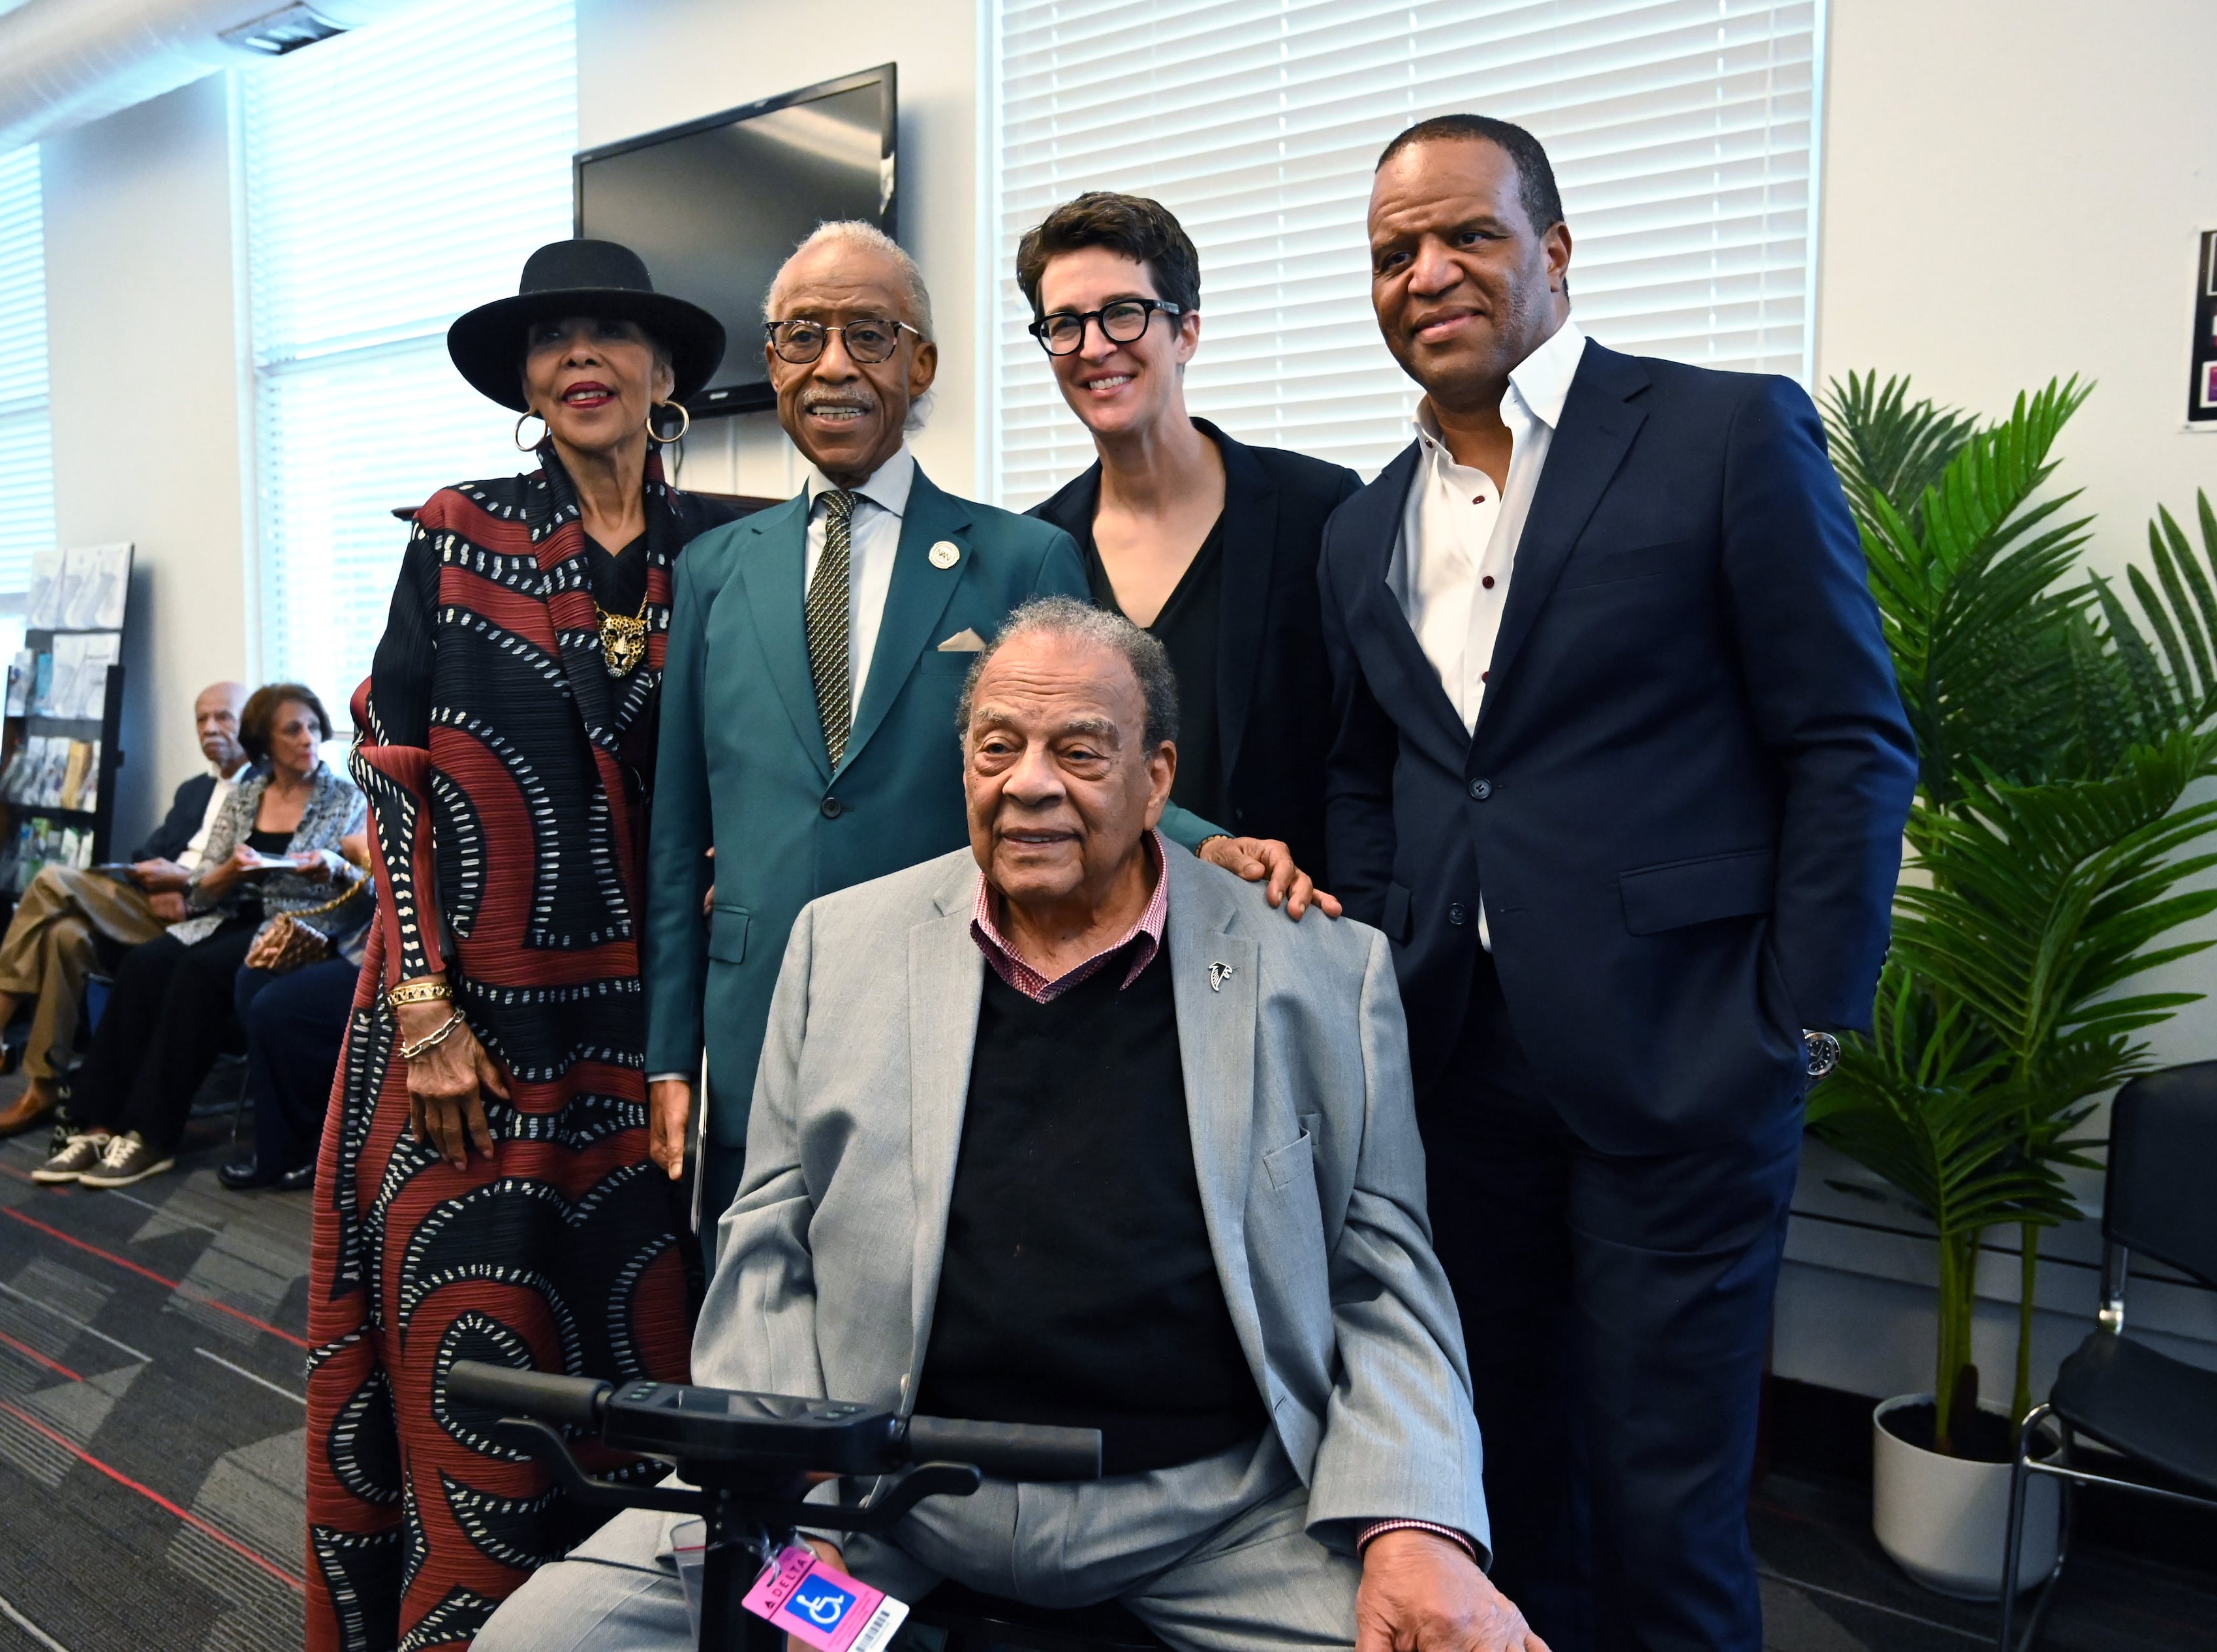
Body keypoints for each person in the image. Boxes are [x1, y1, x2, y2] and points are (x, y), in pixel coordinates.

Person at [479, 599, 1543, 1652]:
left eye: (1080, 750)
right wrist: (788, 1510)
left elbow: (1383, 1275)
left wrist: (1413, 1531)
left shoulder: (1319, 968)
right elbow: (769, 1247)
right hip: (877, 1491)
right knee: (539, 1644)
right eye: (1000, 746)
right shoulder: (840, 949)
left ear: (1157, 778)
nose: (1030, 783)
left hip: (1215, 1512)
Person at [1318, 115, 1915, 1652]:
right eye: (1393, 252)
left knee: (1664, 1507)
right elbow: (1369, 773)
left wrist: (1802, 1011)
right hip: (1457, 1069)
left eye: (1466, 236)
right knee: (1498, 1477)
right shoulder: (1356, 527)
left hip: (1686, 1047)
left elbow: (1846, 736)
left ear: (1553, 251)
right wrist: (1387, 962)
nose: (1426, 273)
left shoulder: (1721, 433)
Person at [642, 221, 1324, 1238]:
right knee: (759, 1322)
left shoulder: (1022, 556)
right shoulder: (711, 569)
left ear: (920, 363)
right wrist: (667, 1051)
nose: (834, 365)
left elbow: (1085, 759)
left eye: (870, 334)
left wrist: (1207, 841)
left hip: (953, 999)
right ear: (772, 362)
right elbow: (673, 831)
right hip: (757, 1016)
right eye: (801, 335)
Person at [305, 238, 745, 1652]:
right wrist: (425, 1006)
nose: (583, 358)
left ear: (665, 373)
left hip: (648, 1039)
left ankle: (624, 1615)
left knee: (643, 1346)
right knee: (475, 1336)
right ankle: (461, 1623)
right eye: (555, 339)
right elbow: (390, 769)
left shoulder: (727, 550)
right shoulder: (458, 529)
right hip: (469, 1030)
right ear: (527, 383)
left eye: (613, 332)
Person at [1020, 192, 1363, 874]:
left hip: (1288, 927)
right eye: (1064, 323)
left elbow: (1363, 759)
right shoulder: (1036, 548)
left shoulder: (1318, 509)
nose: (1093, 347)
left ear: (1186, 332)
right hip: (1099, 941)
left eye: (1123, 313)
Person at [30, 682, 367, 1190]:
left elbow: (364, 888)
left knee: (198, 972)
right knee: (146, 963)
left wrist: (334, 867)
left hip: (300, 927)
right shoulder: (247, 796)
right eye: (293, 729)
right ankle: (93, 1122)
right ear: (265, 741)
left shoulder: (346, 797)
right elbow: (202, 891)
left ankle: (150, 1133)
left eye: (314, 727)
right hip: (232, 916)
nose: (308, 738)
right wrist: (231, 870)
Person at [0, 681, 253, 1136]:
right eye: (201, 718)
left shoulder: (265, 788)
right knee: (64, 936)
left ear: (249, 723)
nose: (210, 728)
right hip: (157, 905)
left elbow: (251, 875)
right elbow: (145, 851)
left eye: (224, 717)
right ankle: (43, 1086)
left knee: (51, 879)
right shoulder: (194, 790)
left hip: (204, 918)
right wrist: (156, 882)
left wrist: (186, 882)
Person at [217, 898, 371, 1192]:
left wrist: (353, 860)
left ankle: (314, 1147)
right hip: (348, 938)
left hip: (391, 961)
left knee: (278, 1006)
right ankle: (282, 1142)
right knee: (254, 977)